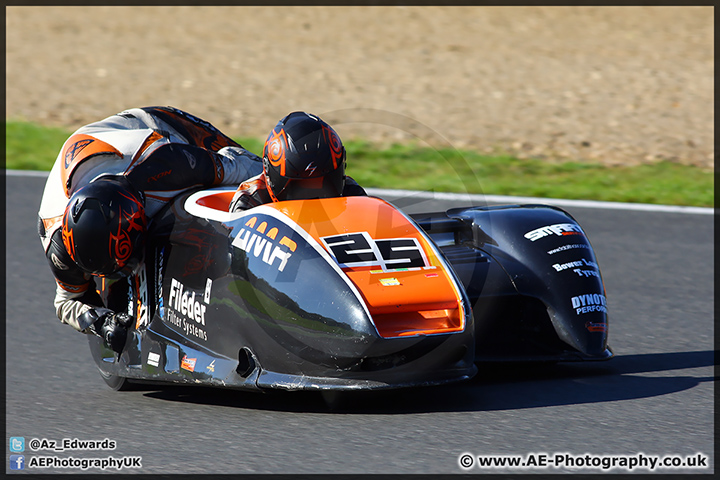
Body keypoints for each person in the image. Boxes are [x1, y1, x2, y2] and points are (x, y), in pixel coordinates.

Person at [38, 106, 263, 352]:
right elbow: (66, 302)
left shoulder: (170, 166)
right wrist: (100, 323)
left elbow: (243, 165)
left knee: (245, 174)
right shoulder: (57, 242)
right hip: (100, 161)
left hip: (157, 130)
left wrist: (255, 191)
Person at [228, 111, 365, 212]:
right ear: (272, 179)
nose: (311, 199)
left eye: (321, 184)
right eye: (300, 188)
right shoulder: (250, 200)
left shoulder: (352, 193)